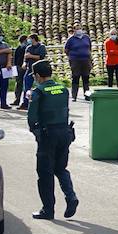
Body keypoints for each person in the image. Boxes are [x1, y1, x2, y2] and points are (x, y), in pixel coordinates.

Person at [27, 60, 77, 221]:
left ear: (37, 76)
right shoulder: (63, 89)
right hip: (65, 132)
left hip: (48, 135)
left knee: (45, 173)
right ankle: (71, 197)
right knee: (61, 168)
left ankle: (47, 210)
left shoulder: (38, 92)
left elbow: (32, 117)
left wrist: (35, 131)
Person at [64, 25, 93, 101]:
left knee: (86, 78)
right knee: (75, 78)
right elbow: (66, 50)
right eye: (77, 29)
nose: (79, 30)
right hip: (75, 61)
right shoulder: (71, 39)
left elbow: (89, 47)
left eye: (80, 28)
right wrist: (73, 56)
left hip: (86, 60)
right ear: (74, 30)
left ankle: (87, 95)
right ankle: (74, 96)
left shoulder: (86, 37)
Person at [18, 34, 47, 109]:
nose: (28, 41)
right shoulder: (28, 48)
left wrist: (31, 56)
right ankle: (25, 103)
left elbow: (41, 57)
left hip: (39, 70)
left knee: (39, 87)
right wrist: (24, 64)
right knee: (26, 86)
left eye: (29, 39)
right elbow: (25, 58)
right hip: (29, 69)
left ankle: (40, 102)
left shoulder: (41, 47)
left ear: (34, 39)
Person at [12, 35, 29, 107]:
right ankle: (18, 100)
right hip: (20, 67)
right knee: (20, 84)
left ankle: (18, 100)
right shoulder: (22, 48)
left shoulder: (19, 48)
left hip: (21, 67)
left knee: (20, 84)